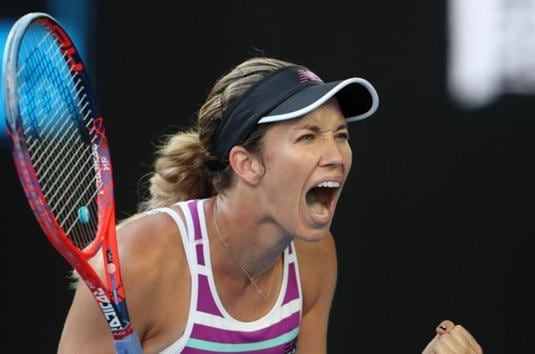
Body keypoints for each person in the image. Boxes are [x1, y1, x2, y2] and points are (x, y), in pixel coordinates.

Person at [57, 57, 482, 353]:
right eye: (308, 136)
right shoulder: (139, 260)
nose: (336, 154)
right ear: (247, 163)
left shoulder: (313, 257)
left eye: (341, 134)